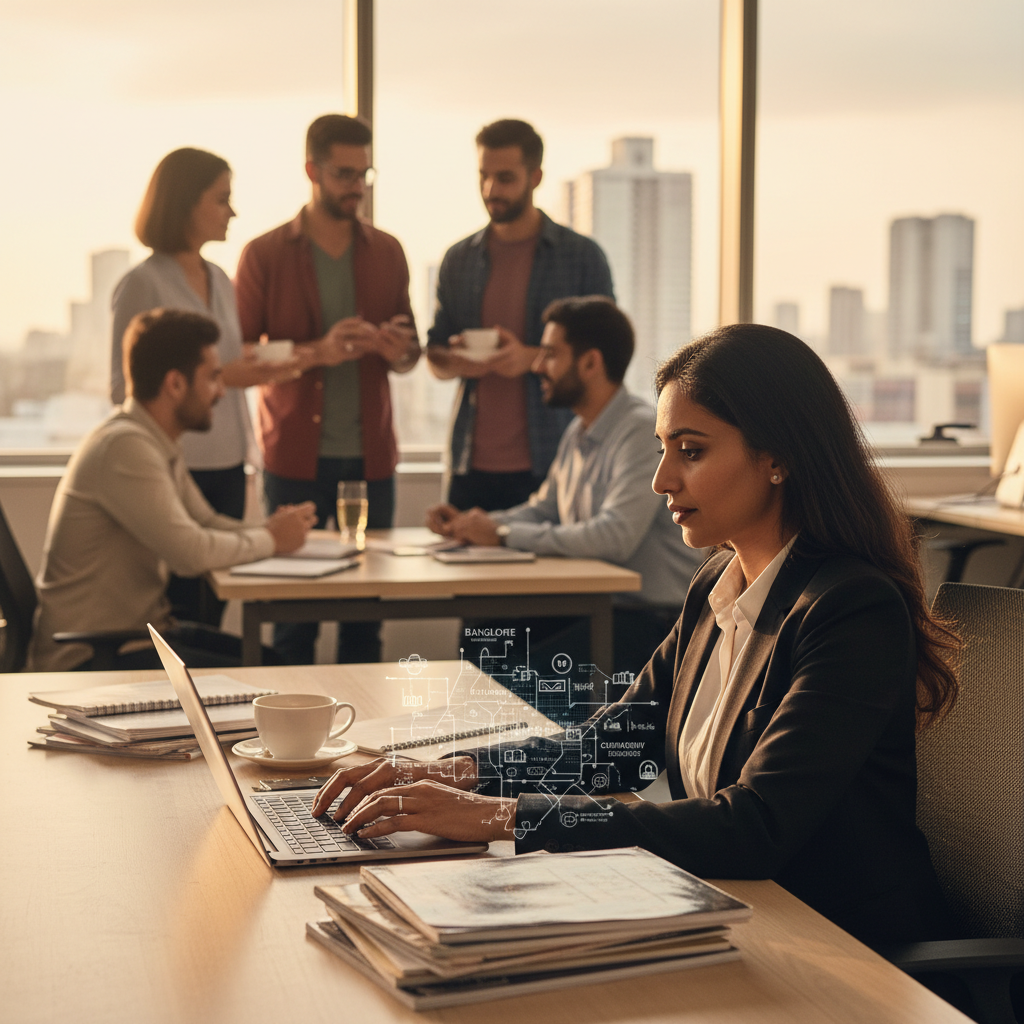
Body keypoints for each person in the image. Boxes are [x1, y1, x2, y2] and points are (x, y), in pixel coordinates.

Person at [311, 323, 960, 950]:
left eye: (693, 450)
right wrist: (457, 772)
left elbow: (755, 826)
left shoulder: (849, 609)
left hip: (844, 951)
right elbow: (609, 748)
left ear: (778, 459)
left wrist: (498, 817)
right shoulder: (716, 588)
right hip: (739, 917)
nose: (662, 480)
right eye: (662, 448)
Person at [425, 296, 701, 675]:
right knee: (484, 638)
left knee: (507, 672)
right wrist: (474, 524)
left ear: (590, 363)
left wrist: (503, 534)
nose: (538, 366)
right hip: (598, 605)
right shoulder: (580, 428)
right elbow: (545, 508)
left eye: (550, 354)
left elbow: (615, 537)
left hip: (648, 618)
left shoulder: (640, 430)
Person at [29, 309, 316, 672]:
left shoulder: (153, 439)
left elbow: (206, 522)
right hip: (92, 656)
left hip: (138, 637)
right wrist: (272, 541)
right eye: (213, 378)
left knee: (274, 662)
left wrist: (273, 531)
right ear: (175, 384)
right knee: (272, 673)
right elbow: (191, 554)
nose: (221, 391)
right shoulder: (126, 448)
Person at [235, 114, 420, 665]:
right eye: (344, 173)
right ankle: (295, 748)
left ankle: (362, 749)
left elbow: (413, 353)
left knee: (366, 622)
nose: (356, 186)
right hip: (293, 459)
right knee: (294, 624)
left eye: (365, 174)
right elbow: (239, 359)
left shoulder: (387, 251)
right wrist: (318, 351)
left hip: (372, 461)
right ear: (311, 170)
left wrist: (395, 350)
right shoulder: (264, 254)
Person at [110, 147, 301, 624]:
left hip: (230, 460)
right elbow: (124, 387)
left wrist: (269, 366)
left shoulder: (219, 278)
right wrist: (231, 376)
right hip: (180, 463)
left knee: (215, 605)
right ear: (185, 204)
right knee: (182, 606)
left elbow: (223, 364)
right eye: (222, 199)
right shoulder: (142, 284)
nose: (232, 211)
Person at [426, 119, 614, 512]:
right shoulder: (458, 260)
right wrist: (457, 361)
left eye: (505, 178)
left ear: (535, 176)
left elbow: (607, 359)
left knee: (550, 572)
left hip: (552, 461)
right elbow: (435, 357)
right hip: (468, 467)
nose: (491, 189)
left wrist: (529, 359)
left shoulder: (580, 257)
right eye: (484, 176)